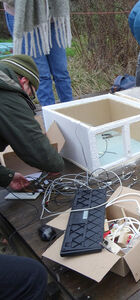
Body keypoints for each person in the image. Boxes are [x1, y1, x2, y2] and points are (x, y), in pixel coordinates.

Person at [0, 55, 64, 190]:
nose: (29, 98)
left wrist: (6, 176)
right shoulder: (8, 94)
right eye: (31, 94)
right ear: (24, 80)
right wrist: (56, 165)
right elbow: (32, 142)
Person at [3, 0, 73, 107]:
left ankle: (71, 111)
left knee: (61, 72)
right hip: (25, 16)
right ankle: (50, 117)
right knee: (42, 75)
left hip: (53, 15)